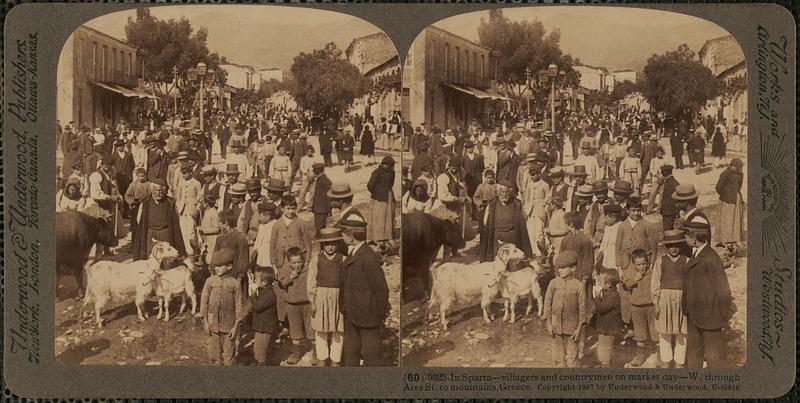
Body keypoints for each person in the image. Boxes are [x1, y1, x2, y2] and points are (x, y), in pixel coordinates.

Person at [338, 211, 390, 366]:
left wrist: (378, 313)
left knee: (372, 355)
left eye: (343, 234)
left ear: (350, 236)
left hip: (368, 316)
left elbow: (381, 288)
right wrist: (344, 307)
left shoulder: (367, 257)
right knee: (351, 354)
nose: (342, 237)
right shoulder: (353, 252)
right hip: (351, 314)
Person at [682, 215, 732, 368]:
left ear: (694, 238)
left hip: (710, 317)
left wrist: (722, 315)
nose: (684, 238)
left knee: (714, 357)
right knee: (693, 353)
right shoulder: (696, 253)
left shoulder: (710, 258)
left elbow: (723, 290)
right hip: (695, 315)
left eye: (686, 235)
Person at [307, 227, 347, 367]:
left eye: (333, 244)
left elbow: (348, 281)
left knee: (338, 330)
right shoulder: (316, 259)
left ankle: (335, 359)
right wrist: (313, 301)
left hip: (338, 297)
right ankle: (322, 358)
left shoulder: (343, 259)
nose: (330, 247)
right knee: (321, 329)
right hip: (321, 296)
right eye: (327, 244)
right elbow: (311, 281)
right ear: (322, 245)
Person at [542, 251, 587, 368]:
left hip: (572, 329)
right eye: (558, 268)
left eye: (563, 268)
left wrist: (579, 329)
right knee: (558, 358)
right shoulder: (553, 283)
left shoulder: (579, 286)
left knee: (572, 357)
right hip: (556, 327)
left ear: (573, 268)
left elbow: (583, 308)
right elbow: (547, 303)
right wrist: (548, 323)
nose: (559, 270)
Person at [199, 248, 243, 366]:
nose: (216, 268)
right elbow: (204, 302)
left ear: (229, 266)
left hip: (229, 326)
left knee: (229, 356)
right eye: (215, 266)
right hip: (213, 326)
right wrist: (205, 322)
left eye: (220, 266)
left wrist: (236, 327)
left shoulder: (235, 284)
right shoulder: (210, 281)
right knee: (214, 356)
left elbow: (239, 306)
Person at [652, 229, 689, 368]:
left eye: (677, 245)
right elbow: (655, 283)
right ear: (666, 246)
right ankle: (666, 360)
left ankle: (680, 361)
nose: (674, 249)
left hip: (681, 299)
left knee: (682, 332)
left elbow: (691, 282)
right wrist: (656, 303)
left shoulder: (687, 260)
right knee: (664, 331)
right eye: (671, 246)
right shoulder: (660, 261)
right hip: (665, 299)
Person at [131, 179, 186, 261]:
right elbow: (139, 220)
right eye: (155, 191)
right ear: (151, 190)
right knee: (150, 258)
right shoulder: (145, 202)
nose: (158, 193)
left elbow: (176, 220)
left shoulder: (170, 203)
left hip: (165, 234)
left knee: (166, 258)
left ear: (164, 191)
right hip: (150, 234)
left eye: (161, 191)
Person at [280, 246, 314, 365]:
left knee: (311, 328)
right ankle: (296, 354)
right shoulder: (286, 271)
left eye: (299, 262)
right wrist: (290, 277)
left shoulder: (309, 270)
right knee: (295, 330)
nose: (297, 265)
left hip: (307, 304)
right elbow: (281, 283)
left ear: (303, 261)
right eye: (294, 262)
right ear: (289, 263)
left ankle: (314, 353)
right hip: (292, 305)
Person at [623, 249, 657, 367]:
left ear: (648, 263)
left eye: (644, 263)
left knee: (655, 331)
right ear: (633, 265)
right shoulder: (631, 274)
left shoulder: (653, 273)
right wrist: (635, 279)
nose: (642, 267)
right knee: (639, 332)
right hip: (636, 307)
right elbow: (626, 286)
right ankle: (640, 355)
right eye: (638, 264)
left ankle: (657, 354)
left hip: (651, 306)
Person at [243, 266, 278, 366]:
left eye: (256, 279)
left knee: (260, 351)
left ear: (264, 282)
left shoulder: (270, 294)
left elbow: (258, 306)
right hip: (261, 327)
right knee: (259, 348)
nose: (254, 281)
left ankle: (261, 368)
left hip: (264, 328)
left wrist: (253, 294)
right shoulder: (264, 291)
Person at [715, 158, 745, 260]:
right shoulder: (725, 174)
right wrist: (726, 195)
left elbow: (739, 186)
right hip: (727, 200)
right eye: (736, 167)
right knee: (727, 220)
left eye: (739, 167)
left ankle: (734, 238)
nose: (738, 169)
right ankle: (726, 239)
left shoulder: (740, 174)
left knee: (735, 220)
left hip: (736, 199)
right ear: (731, 165)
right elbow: (718, 187)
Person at [594, 268, 622, 368]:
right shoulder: (609, 293)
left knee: (604, 351)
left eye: (601, 281)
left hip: (608, 330)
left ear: (608, 284)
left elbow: (601, 308)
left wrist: (597, 297)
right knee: (605, 350)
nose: (599, 283)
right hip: (606, 329)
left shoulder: (613, 296)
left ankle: (606, 368)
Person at [366, 156, 397, 243]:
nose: (387, 167)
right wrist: (377, 193)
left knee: (387, 217)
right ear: (383, 164)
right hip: (378, 198)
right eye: (385, 165)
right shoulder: (376, 172)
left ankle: (387, 235)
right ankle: (377, 236)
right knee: (378, 217)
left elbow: (391, 184)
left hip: (388, 196)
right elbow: (370, 186)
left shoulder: (392, 173)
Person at [175, 161, 203, 255]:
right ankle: (186, 249)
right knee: (183, 230)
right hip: (182, 209)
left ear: (191, 172)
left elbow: (200, 198)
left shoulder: (196, 183)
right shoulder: (181, 183)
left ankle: (193, 250)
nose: (184, 175)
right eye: (183, 173)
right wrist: (178, 207)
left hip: (192, 209)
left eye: (186, 173)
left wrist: (197, 209)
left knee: (191, 231)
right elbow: (178, 196)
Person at [310, 163, 333, 236]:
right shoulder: (320, 179)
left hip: (322, 209)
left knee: (320, 229)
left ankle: (321, 242)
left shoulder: (325, 181)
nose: (314, 173)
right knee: (318, 228)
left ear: (318, 172)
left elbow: (329, 196)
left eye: (315, 172)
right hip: (318, 209)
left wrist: (329, 209)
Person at [656, 165, 680, 230]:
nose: (658, 175)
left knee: (668, 231)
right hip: (667, 211)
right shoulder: (668, 182)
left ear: (664, 173)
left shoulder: (673, 183)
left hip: (670, 212)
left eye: (660, 173)